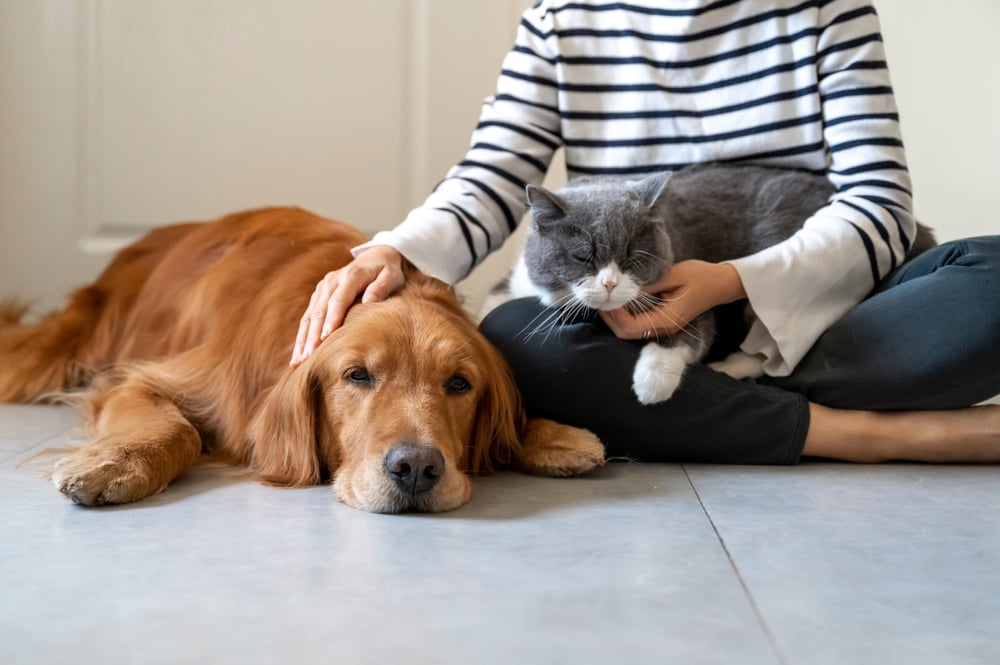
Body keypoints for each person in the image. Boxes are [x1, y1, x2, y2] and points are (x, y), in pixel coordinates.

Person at [291, 0, 1000, 464]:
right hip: (635, 320)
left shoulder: (826, 10)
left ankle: (716, 403)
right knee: (514, 338)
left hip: (831, 306)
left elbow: (879, 204)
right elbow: (493, 174)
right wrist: (395, 249)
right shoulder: (561, 18)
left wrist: (728, 282)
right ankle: (869, 432)